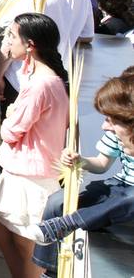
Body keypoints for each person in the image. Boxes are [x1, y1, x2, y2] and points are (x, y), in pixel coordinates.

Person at [0, 14, 70, 278]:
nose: (7, 41)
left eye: (12, 36)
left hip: (31, 176)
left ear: (30, 44)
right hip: (24, 172)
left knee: (26, 246)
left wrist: (10, 115)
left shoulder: (41, 84)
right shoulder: (40, 77)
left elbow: (12, 131)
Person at [33, 72, 134, 272]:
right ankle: (50, 269)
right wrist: (81, 161)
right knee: (57, 202)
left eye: (110, 120)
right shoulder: (116, 134)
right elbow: (102, 164)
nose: (105, 126)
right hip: (120, 185)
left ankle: (71, 222)